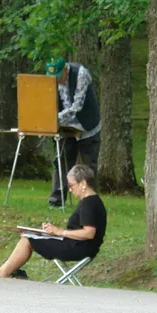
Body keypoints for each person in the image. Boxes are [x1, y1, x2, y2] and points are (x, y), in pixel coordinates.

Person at [0, 165, 107, 278]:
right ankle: (9, 270)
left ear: (83, 183)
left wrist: (60, 232)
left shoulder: (88, 203)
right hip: (79, 246)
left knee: (27, 239)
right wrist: (53, 232)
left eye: (71, 185)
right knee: (30, 235)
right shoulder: (92, 201)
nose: (70, 190)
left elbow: (89, 233)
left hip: (79, 248)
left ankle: (2, 273)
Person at [45, 58, 101, 208]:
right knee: (62, 160)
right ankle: (56, 200)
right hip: (66, 126)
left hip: (87, 125)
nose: (57, 81)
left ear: (65, 69)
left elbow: (77, 106)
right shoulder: (54, 79)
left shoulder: (81, 74)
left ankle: (89, 202)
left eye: (59, 76)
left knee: (88, 166)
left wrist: (54, 119)